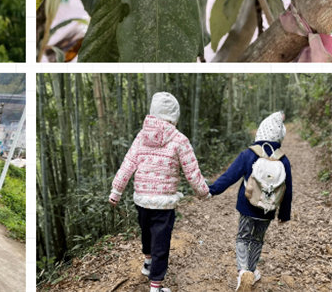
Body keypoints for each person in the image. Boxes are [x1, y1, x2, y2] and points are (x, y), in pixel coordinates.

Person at [108, 92, 210, 292]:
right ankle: (156, 286)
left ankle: (148, 264)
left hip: (142, 199)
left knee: (146, 234)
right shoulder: (180, 139)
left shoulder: (141, 136)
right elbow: (192, 171)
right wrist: (203, 192)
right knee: (161, 243)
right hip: (164, 203)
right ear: (174, 117)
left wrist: (116, 190)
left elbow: (128, 164)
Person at [208, 111, 292, 292]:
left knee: (243, 237)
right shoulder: (283, 160)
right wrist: (284, 214)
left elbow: (229, 177)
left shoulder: (248, 154)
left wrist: (212, 190)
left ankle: (242, 271)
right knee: (257, 240)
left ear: (260, 132)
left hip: (247, 206)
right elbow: (288, 189)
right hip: (268, 210)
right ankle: (252, 271)